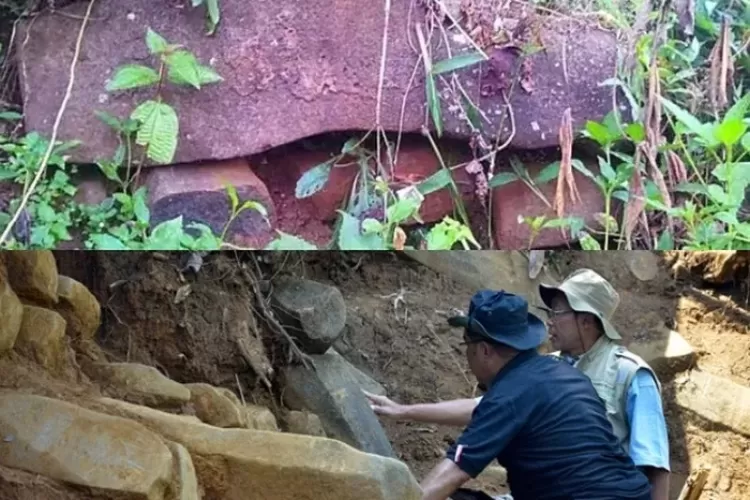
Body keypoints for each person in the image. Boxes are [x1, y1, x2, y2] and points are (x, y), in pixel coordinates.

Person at [365, 269, 670, 500]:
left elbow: (456, 469)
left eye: (558, 313)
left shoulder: (630, 374)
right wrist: (402, 410)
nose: (551, 320)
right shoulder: (560, 373)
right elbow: (480, 409)